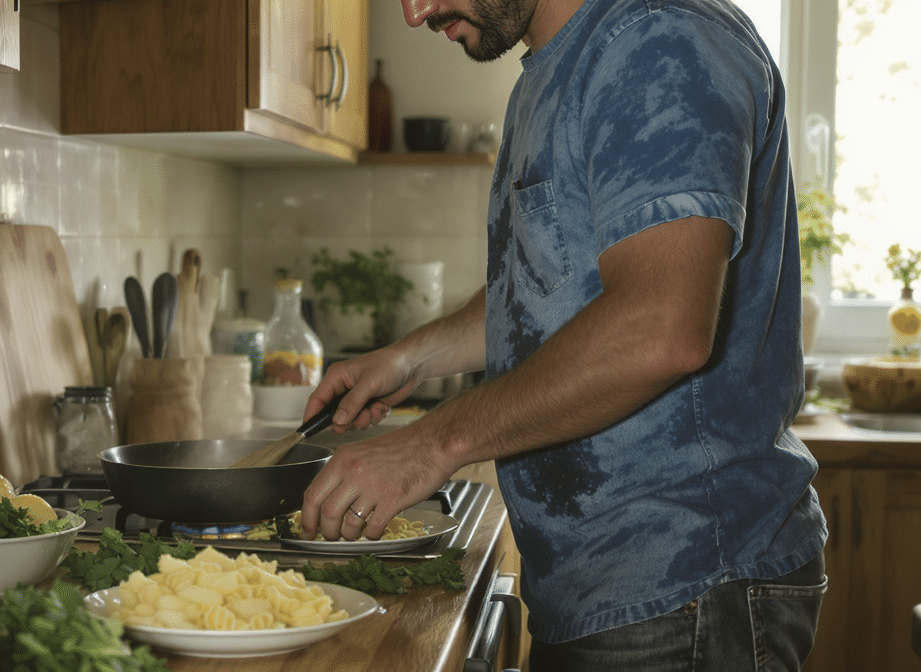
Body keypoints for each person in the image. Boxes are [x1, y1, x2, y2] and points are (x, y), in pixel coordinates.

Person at [297, 0, 829, 669]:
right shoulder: (555, 66)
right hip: (605, 585)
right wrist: (410, 358)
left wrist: (431, 444)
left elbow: (660, 329)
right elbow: (548, 289)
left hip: (685, 585)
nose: (414, 12)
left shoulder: (655, 40)